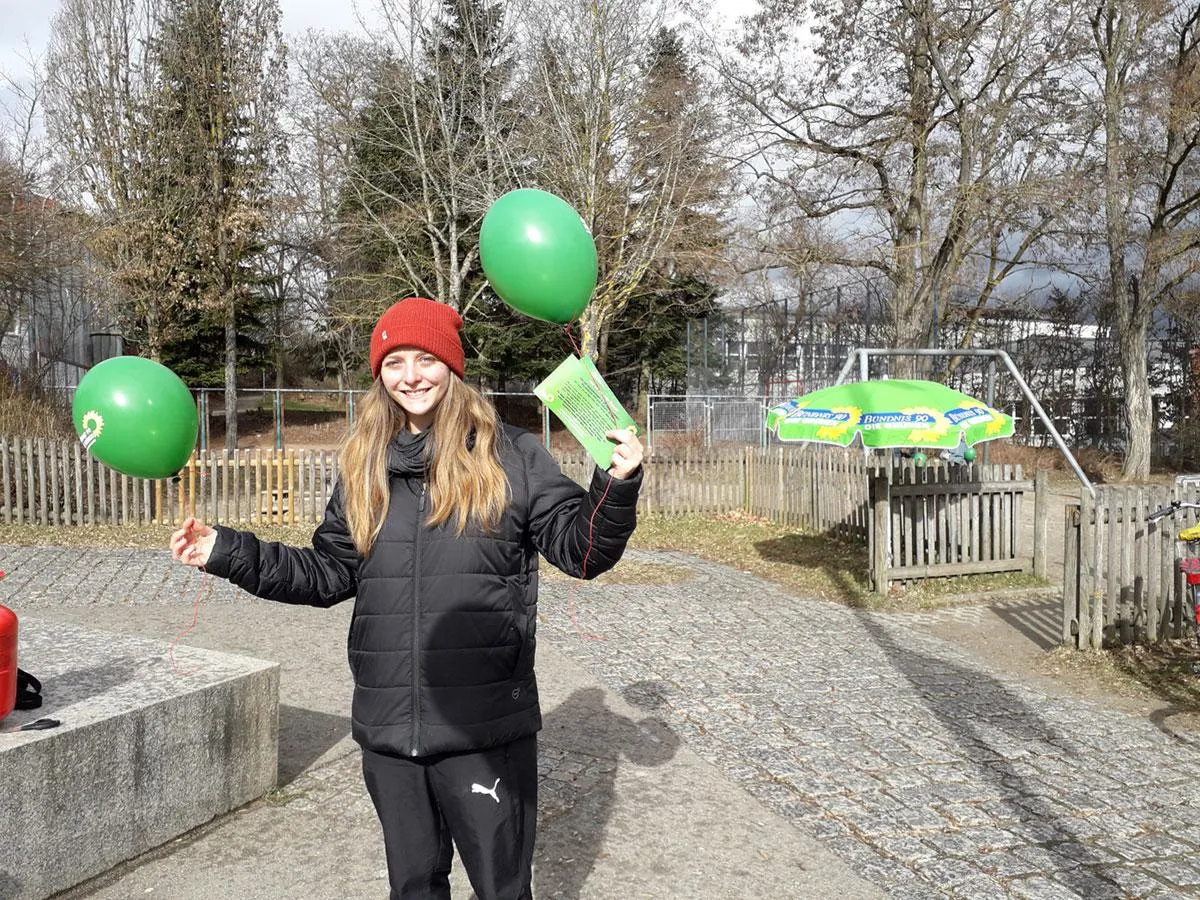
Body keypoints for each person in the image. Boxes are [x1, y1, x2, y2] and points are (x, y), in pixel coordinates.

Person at [169, 297, 644, 900]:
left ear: (452, 365)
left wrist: (617, 482)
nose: (411, 376)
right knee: (414, 887)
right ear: (379, 374)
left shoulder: (513, 456)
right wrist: (226, 551)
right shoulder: (364, 465)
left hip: (483, 730)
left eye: (426, 359)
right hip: (389, 731)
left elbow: (582, 551)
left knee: (502, 890)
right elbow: (326, 573)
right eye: (395, 362)